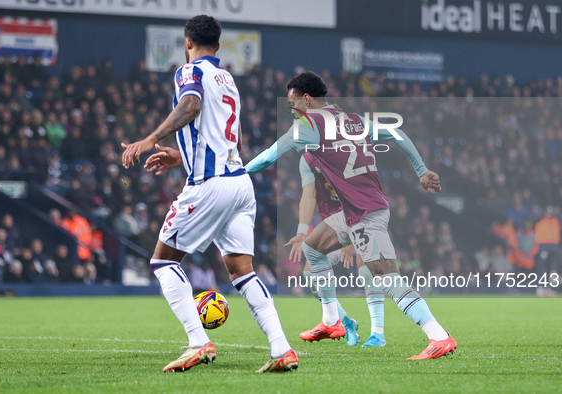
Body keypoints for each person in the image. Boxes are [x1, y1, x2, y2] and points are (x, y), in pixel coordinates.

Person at [121, 15, 297, 373]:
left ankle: (198, 342)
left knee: (163, 261)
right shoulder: (229, 80)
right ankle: (281, 349)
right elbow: (235, 140)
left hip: (210, 184)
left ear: (187, 43)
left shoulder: (189, 72)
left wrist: (151, 139)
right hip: (240, 183)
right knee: (242, 271)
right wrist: (182, 155)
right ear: (218, 46)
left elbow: (191, 106)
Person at [245, 71, 456, 360]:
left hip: (366, 212)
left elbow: (269, 156)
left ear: (306, 99)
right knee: (313, 248)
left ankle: (438, 335)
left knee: (385, 276)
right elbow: (397, 133)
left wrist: (233, 175)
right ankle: (332, 321)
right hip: (355, 211)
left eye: (293, 103)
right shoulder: (355, 120)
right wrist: (420, 171)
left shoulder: (310, 123)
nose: (292, 110)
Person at [287, 151, 386, 348]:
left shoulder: (343, 151)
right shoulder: (308, 159)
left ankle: (377, 334)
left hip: (363, 217)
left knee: (367, 267)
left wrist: (349, 243)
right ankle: (345, 322)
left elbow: (356, 191)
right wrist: (302, 233)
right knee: (309, 271)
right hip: (332, 226)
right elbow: (309, 196)